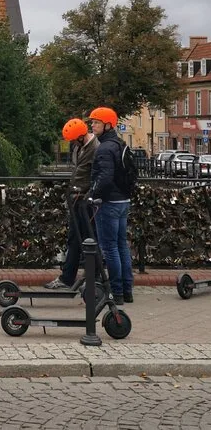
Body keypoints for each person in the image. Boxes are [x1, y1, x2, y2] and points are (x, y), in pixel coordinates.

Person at [45, 117, 100, 289]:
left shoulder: (95, 148)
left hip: (86, 201)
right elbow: (78, 171)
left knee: (91, 239)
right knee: (74, 238)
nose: (72, 144)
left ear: (81, 137)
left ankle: (94, 278)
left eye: (74, 140)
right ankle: (68, 278)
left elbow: (95, 175)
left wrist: (87, 194)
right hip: (77, 198)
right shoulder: (79, 147)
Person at [87, 106, 133, 305]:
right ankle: (127, 290)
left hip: (109, 203)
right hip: (123, 200)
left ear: (107, 125)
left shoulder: (104, 148)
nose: (92, 125)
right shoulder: (119, 143)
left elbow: (104, 177)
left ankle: (116, 292)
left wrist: (92, 194)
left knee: (110, 248)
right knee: (122, 245)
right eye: (92, 122)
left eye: (96, 122)